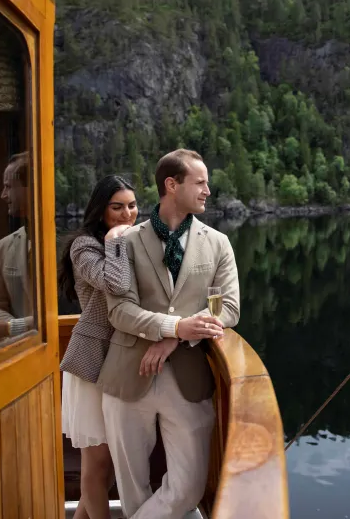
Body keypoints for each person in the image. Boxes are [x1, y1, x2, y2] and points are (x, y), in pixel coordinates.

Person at [98, 149, 240, 519]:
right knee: (131, 488)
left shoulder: (218, 243)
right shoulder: (123, 243)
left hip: (190, 379)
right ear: (171, 185)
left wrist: (176, 336)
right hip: (128, 374)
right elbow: (119, 310)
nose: (208, 190)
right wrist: (174, 325)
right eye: (200, 182)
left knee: (189, 487)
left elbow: (228, 310)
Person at [58, 175, 178, 519]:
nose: (127, 214)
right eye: (117, 207)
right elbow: (116, 283)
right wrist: (113, 242)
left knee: (108, 468)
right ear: (100, 210)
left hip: (122, 360)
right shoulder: (84, 247)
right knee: (97, 466)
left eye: (132, 205)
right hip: (92, 361)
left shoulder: (135, 241)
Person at [0, 152, 33, 344]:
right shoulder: (4, 246)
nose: (3, 195)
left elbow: (66, 316)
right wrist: (16, 331)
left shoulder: (72, 245)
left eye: (8, 187)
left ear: (30, 188)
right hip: (18, 354)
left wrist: (10, 328)